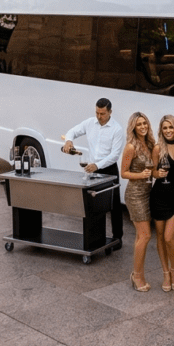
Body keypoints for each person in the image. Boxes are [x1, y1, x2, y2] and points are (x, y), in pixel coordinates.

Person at [61, 98, 125, 248]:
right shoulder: (90, 123)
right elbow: (73, 131)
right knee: (93, 203)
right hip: (92, 168)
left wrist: (97, 165)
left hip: (108, 169)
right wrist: (69, 140)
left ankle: (118, 238)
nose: (99, 116)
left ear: (110, 112)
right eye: (97, 112)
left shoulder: (117, 129)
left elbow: (114, 155)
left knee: (114, 205)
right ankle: (95, 236)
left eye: (102, 113)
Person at [150, 114, 174, 292]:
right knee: (159, 237)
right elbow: (153, 172)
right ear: (161, 130)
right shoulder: (158, 148)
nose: (168, 131)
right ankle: (165, 273)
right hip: (159, 196)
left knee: (168, 237)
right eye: (165, 128)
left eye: (170, 127)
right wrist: (158, 174)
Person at [120, 112, 156, 291]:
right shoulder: (131, 147)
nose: (142, 127)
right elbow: (124, 172)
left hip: (148, 192)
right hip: (135, 195)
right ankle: (137, 276)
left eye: (145, 123)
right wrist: (140, 175)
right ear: (133, 127)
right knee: (146, 235)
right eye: (139, 124)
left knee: (140, 236)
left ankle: (138, 273)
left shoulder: (149, 144)